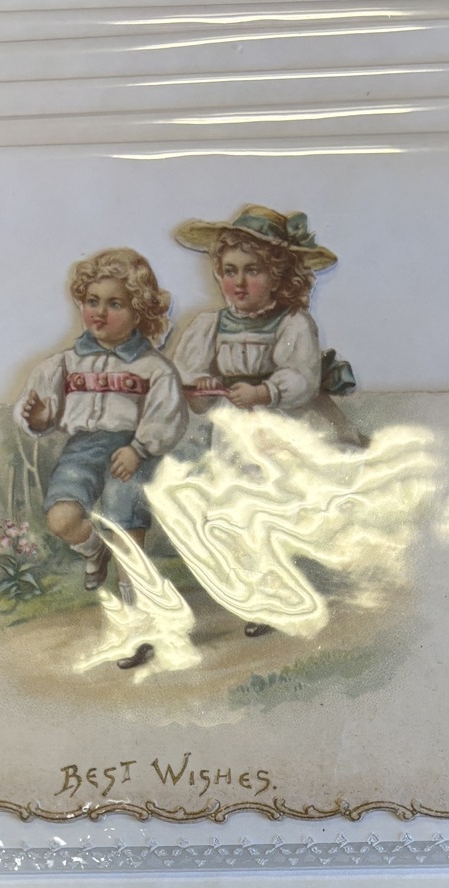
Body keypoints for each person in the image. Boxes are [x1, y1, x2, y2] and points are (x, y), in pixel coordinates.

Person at [169, 206, 359, 638]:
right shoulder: (209, 325)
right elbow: (186, 376)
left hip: (287, 428)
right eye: (229, 271)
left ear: (277, 276)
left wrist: (264, 392)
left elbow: (301, 376)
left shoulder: (293, 323)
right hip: (235, 436)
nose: (238, 282)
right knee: (237, 509)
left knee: (281, 507)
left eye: (252, 271)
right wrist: (201, 387)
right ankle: (263, 597)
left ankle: (300, 587)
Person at [13, 247, 188, 669]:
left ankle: (138, 630)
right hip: (84, 448)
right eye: (93, 301)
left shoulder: (153, 367)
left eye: (115, 304)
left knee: (125, 535)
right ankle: (94, 552)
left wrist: (139, 448)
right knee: (62, 518)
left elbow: (167, 415)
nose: (100, 312)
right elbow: (39, 409)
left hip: (133, 450)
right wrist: (39, 418)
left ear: (139, 310)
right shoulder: (65, 363)